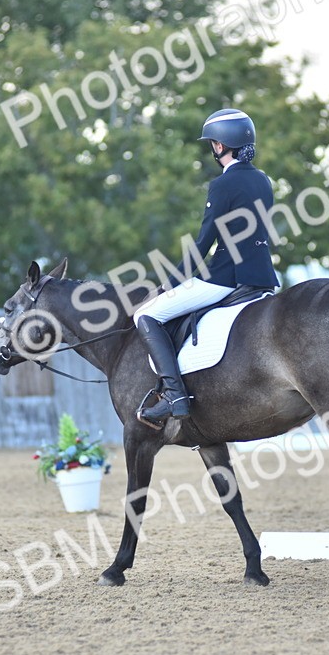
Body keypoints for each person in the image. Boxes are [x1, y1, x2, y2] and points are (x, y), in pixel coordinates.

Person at [134, 108, 281, 428]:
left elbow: (203, 244)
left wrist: (169, 284)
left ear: (219, 145)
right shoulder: (263, 180)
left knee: (145, 316)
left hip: (226, 278)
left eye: (213, 144)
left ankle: (175, 397)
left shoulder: (222, 185)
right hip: (263, 278)